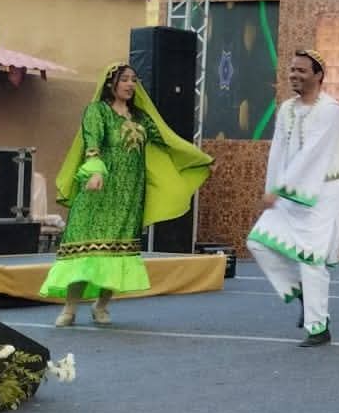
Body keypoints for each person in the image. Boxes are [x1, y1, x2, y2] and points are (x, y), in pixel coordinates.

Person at [41, 62, 213, 325]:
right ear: (111, 83)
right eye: (125, 79)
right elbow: (92, 142)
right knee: (82, 248)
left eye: (134, 79)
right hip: (97, 190)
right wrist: (95, 171)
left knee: (118, 250)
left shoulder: (141, 118)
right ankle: (69, 309)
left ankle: (101, 305)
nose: (131, 84)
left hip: (129, 194)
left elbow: (168, 140)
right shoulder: (97, 111)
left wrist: (202, 159)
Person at [248, 51, 339, 347]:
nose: (294, 75)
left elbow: (312, 154)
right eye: (292, 69)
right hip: (289, 192)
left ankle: (318, 328)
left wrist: (280, 188)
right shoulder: (287, 109)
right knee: (258, 242)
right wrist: (272, 188)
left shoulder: (331, 110)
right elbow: (278, 152)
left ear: (318, 75)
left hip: (324, 194)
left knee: (310, 258)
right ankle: (303, 294)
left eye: (302, 70)